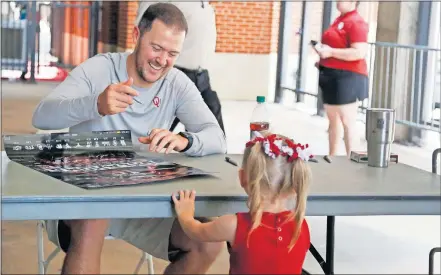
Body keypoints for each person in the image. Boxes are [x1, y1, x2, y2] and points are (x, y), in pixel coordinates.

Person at [32, 3, 226, 274]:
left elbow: (216, 135)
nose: (162, 60)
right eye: (156, 48)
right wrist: (95, 104)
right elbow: (41, 117)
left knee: (208, 242)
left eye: (172, 53)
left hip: (141, 200)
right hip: (85, 197)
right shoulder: (99, 68)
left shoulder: (177, 82)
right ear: (136, 36)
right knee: (94, 218)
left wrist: (186, 140)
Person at [172, 131, 312, 274]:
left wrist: (186, 215)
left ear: (242, 178)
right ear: (294, 187)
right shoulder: (302, 226)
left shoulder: (233, 225)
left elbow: (196, 232)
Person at [135, 1, 226, 135]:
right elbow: (143, 30)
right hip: (174, 74)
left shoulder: (205, 3)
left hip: (201, 76)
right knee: (153, 133)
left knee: (213, 131)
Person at [314, 0, 369, 157]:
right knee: (333, 120)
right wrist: (325, 59)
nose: (338, 2)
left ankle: (352, 160)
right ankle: (332, 157)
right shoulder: (340, 19)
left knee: (347, 121)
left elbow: (359, 52)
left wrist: (331, 53)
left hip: (348, 77)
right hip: (331, 75)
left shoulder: (356, 22)